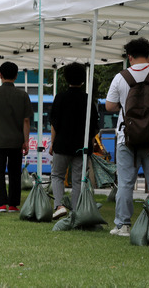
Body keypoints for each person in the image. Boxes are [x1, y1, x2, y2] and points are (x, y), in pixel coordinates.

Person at [106, 37, 149, 237]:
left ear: (129, 57)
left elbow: (110, 105)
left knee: (125, 183)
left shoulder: (120, 77)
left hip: (127, 137)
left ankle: (123, 225)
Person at [48, 63, 99, 219]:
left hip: (62, 144)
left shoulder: (60, 97)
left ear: (65, 78)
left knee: (57, 176)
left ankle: (59, 205)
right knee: (78, 179)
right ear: (83, 80)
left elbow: (54, 123)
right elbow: (94, 126)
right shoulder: (88, 99)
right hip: (81, 146)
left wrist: (52, 142)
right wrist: (90, 143)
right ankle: (76, 211)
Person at [0, 62, 32, 213]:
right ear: (16, 76)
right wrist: (25, 141)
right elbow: (26, 120)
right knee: (14, 172)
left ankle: (0, 203)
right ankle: (13, 204)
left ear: (0, 75)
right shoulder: (23, 95)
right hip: (16, 140)